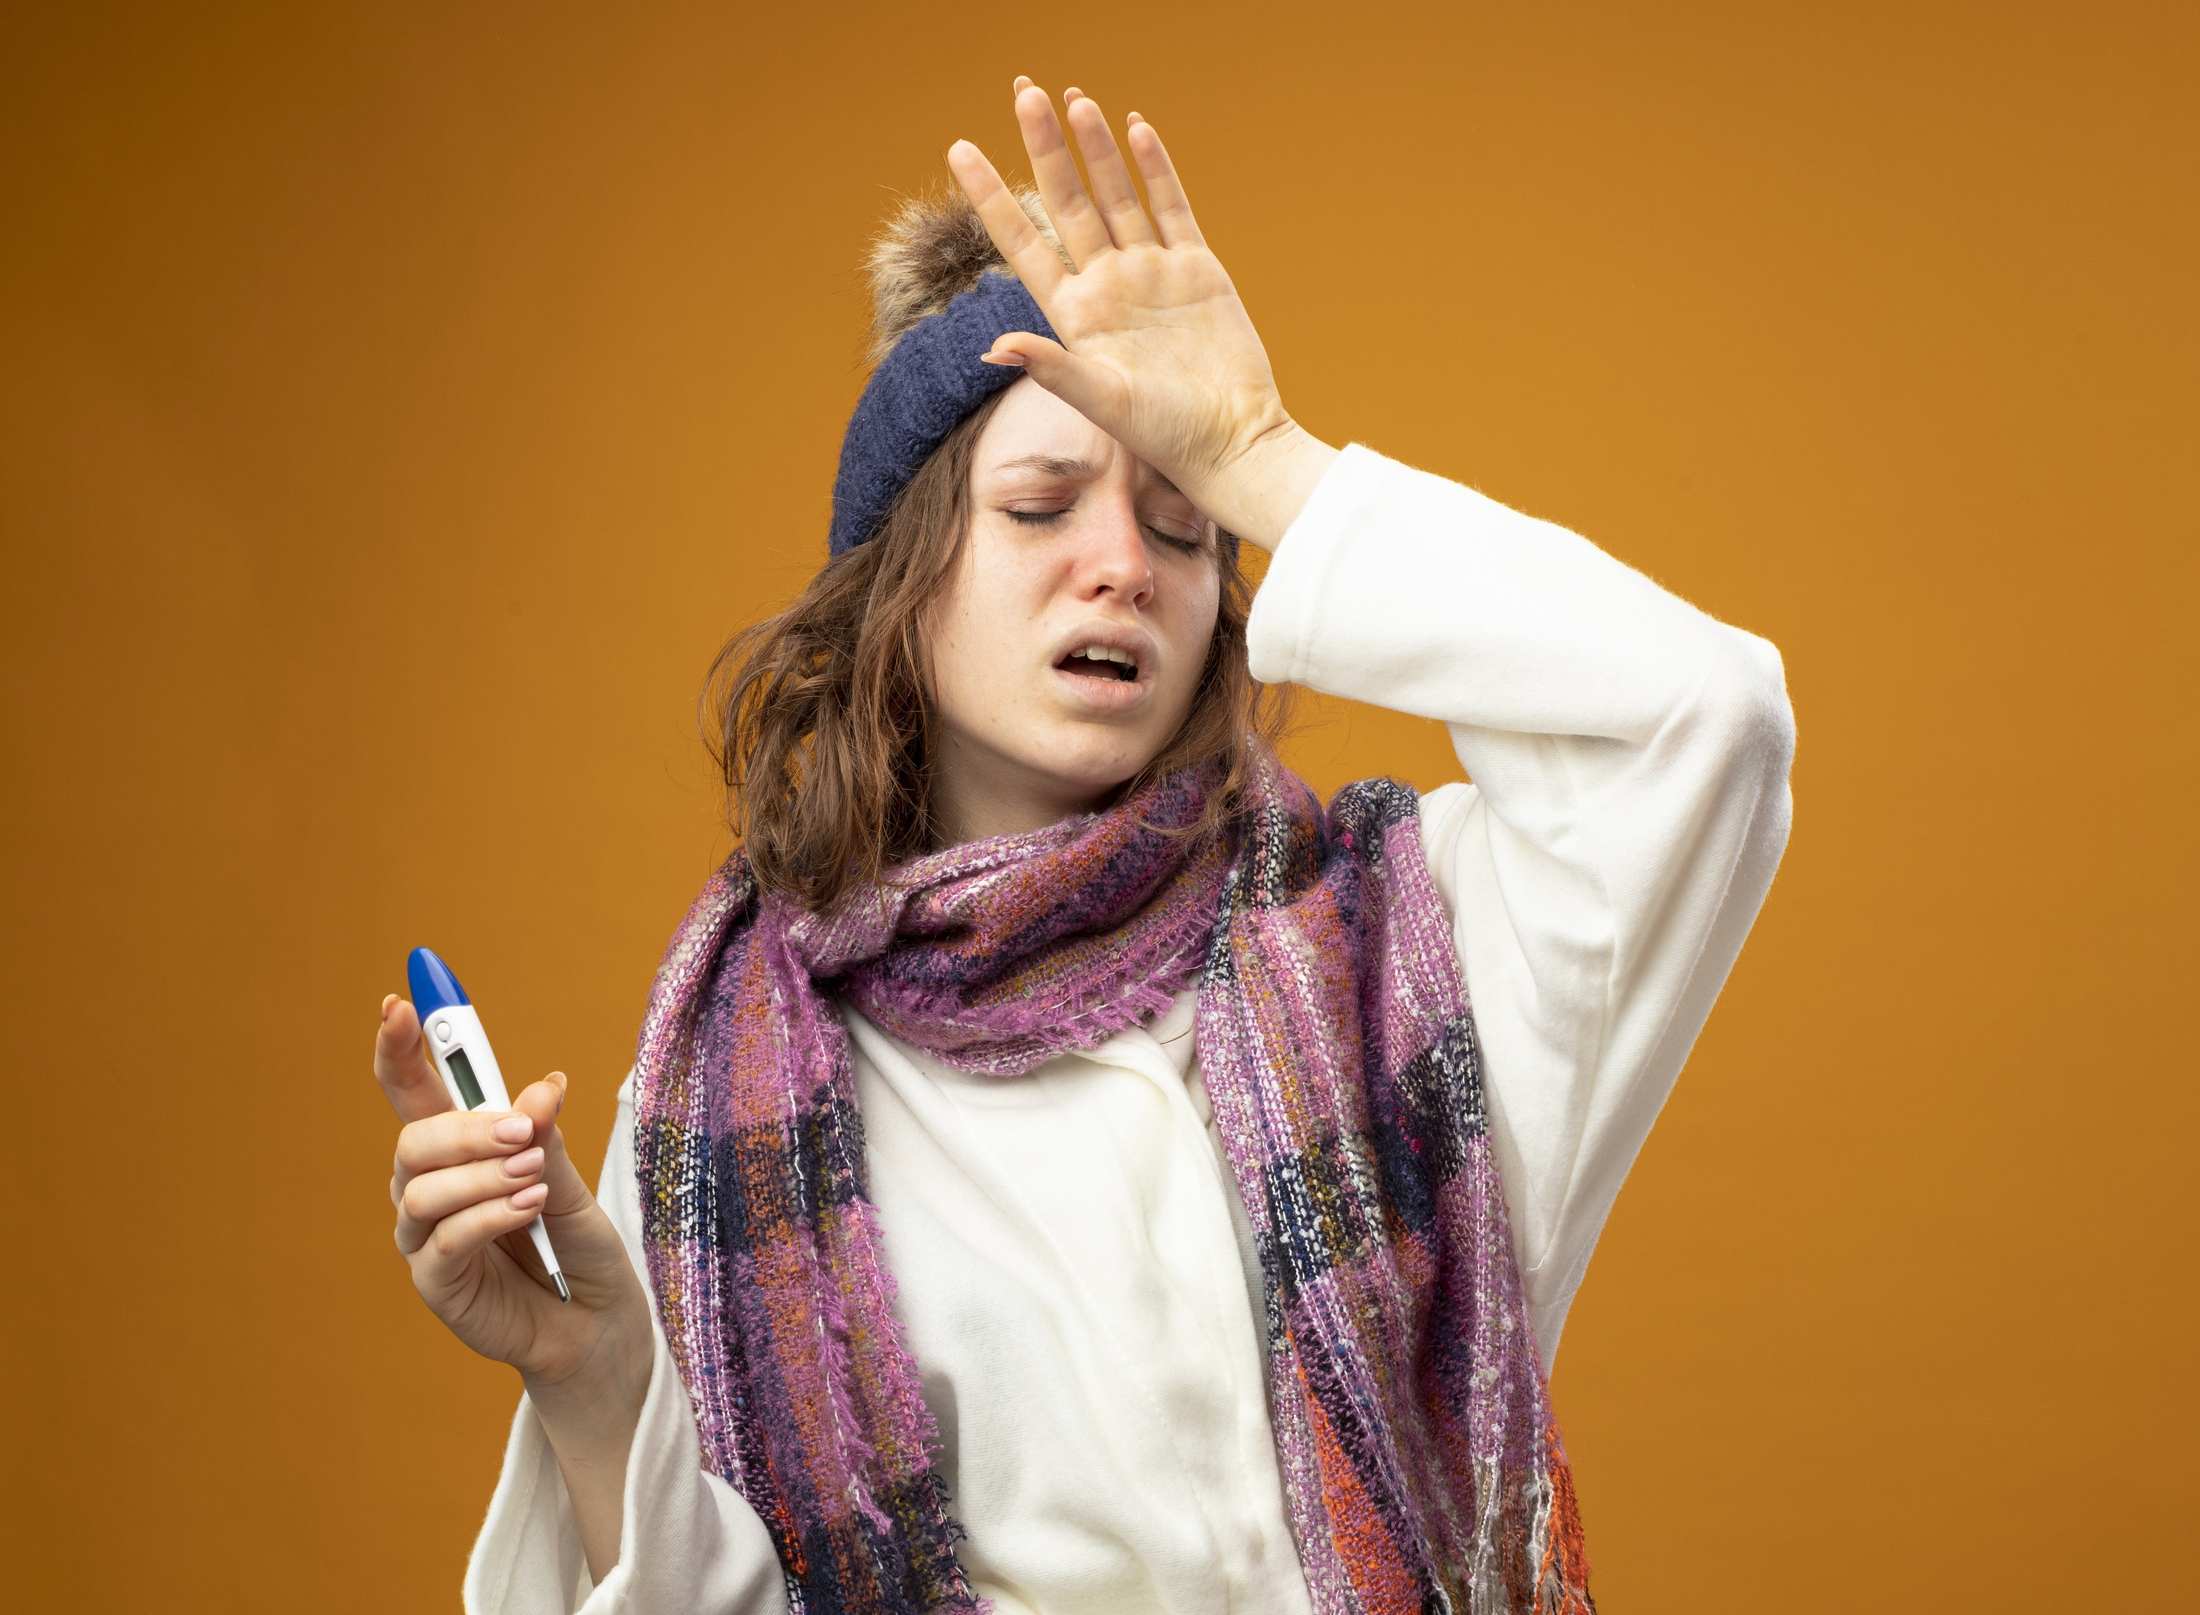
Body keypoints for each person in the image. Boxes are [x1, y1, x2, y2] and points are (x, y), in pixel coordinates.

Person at [374, 76, 1795, 1615]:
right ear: (903, 588)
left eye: (1185, 528)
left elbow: (1702, 720)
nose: (1121, 565)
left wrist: (1260, 452)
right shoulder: (730, 1089)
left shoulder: (1416, 952)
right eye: (1043, 505)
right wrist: (592, 1378)